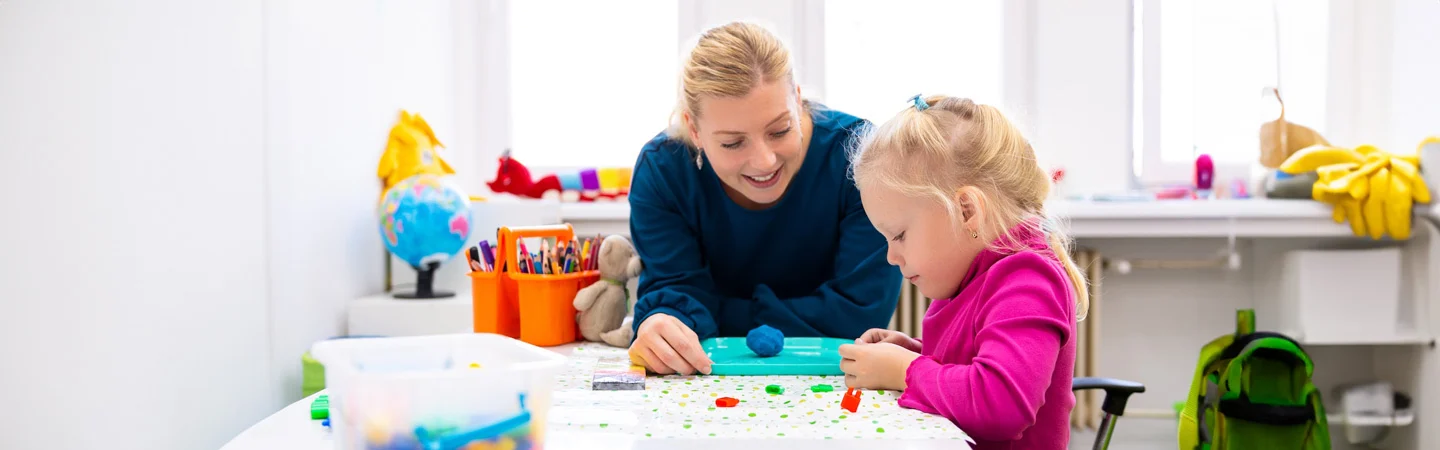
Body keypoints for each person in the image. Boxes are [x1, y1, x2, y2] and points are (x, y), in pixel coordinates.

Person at [626, 22, 902, 376]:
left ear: (797, 99)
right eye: (732, 142)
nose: (765, 161)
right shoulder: (663, 171)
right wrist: (662, 325)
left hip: (836, 377)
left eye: (780, 129)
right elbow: (674, 296)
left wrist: (713, 313)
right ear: (694, 130)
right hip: (709, 381)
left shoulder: (860, 156)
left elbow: (860, 314)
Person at [839, 95, 1089, 449]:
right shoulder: (973, 275)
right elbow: (977, 365)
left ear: (966, 210)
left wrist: (905, 370)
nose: (891, 257)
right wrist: (917, 353)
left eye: (899, 235)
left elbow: (1000, 406)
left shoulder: (1028, 279)